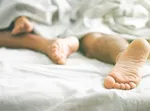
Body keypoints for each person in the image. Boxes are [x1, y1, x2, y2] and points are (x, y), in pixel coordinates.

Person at [0, 16, 149, 91]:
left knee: (93, 37)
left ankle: (125, 54)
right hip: (87, 13)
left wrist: (19, 16)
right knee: (97, 36)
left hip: (57, 14)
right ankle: (123, 53)